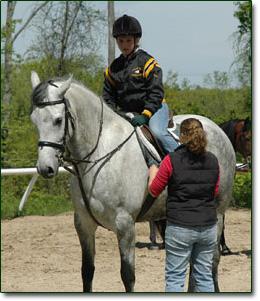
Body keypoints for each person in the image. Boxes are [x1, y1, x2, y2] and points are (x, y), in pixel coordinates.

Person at [148, 118, 220, 292]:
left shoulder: (171, 160)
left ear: (181, 137)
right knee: (204, 277)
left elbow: (154, 191)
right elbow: (215, 191)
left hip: (180, 227)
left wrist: (152, 172)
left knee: (175, 278)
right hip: (208, 227)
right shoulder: (212, 160)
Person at [103, 14, 178, 154]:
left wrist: (145, 115)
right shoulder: (113, 68)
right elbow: (108, 97)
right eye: (120, 41)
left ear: (136, 40)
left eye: (128, 41)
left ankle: (183, 160)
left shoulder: (147, 62)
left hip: (154, 108)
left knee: (157, 133)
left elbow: (156, 92)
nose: (124, 45)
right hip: (129, 113)